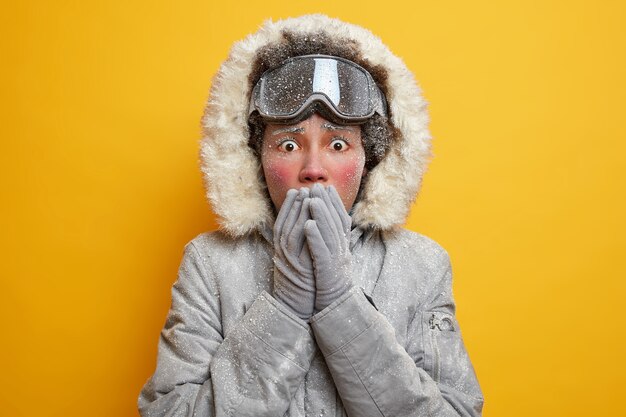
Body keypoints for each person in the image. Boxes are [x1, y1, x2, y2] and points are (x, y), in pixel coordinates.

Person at [138, 14, 483, 417]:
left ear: (370, 158)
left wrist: (342, 304)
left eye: (338, 144)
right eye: (287, 145)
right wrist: (284, 307)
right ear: (255, 159)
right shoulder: (209, 264)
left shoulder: (423, 265)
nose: (313, 168)